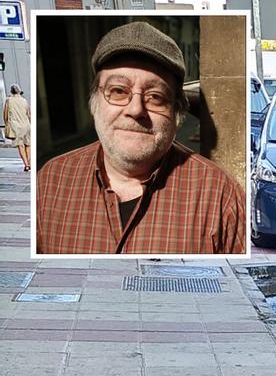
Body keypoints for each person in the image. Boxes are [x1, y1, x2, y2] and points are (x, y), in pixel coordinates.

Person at [36, 21, 245, 254]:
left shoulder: (220, 195)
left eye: (155, 97)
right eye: (118, 91)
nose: (136, 110)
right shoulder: (49, 182)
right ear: (94, 104)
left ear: (176, 114)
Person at [3, 84, 30, 171]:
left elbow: (5, 115)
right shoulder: (24, 100)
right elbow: (29, 114)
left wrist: (7, 124)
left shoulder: (9, 100)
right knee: (28, 145)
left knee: (20, 145)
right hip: (26, 125)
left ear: (11, 91)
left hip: (16, 126)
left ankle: (26, 164)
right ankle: (29, 162)